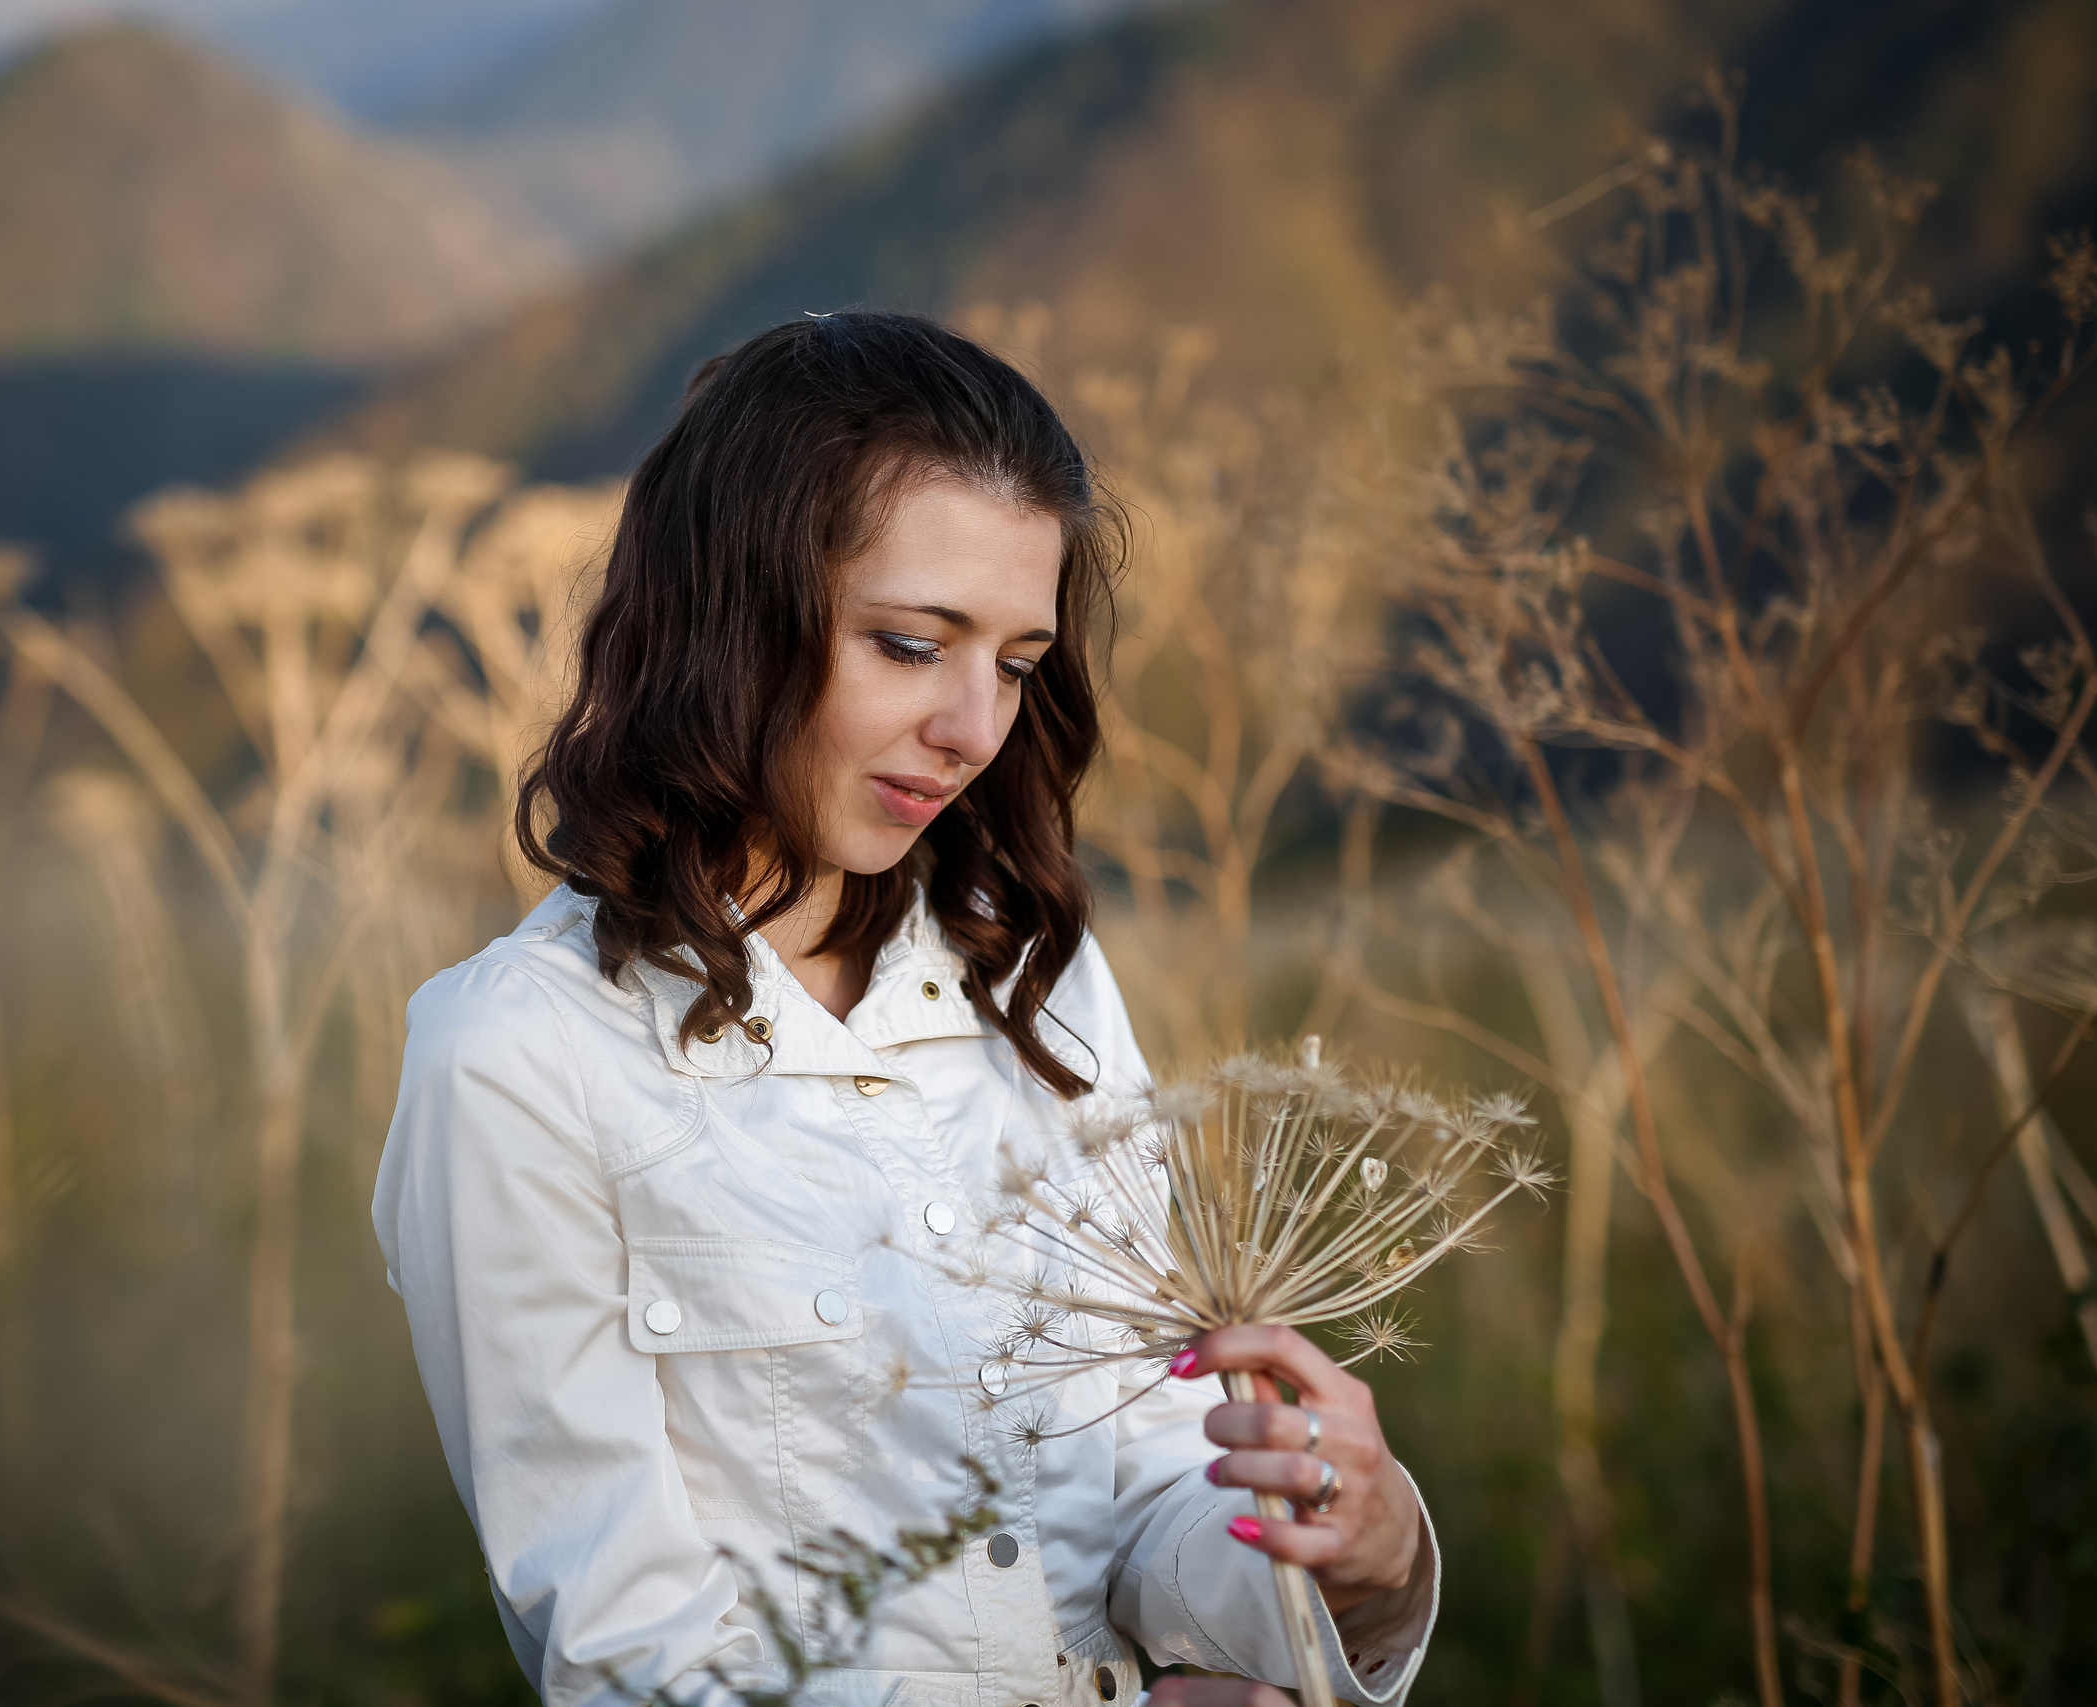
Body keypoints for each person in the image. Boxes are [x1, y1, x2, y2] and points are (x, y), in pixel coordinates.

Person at [373, 312, 1440, 1707]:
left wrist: (1354, 1559)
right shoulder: (519, 1056)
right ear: (726, 615)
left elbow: (1145, 1488)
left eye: (1016, 663)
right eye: (909, 643)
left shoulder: (1036, 979)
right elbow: (632, 1662)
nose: (974, 730)